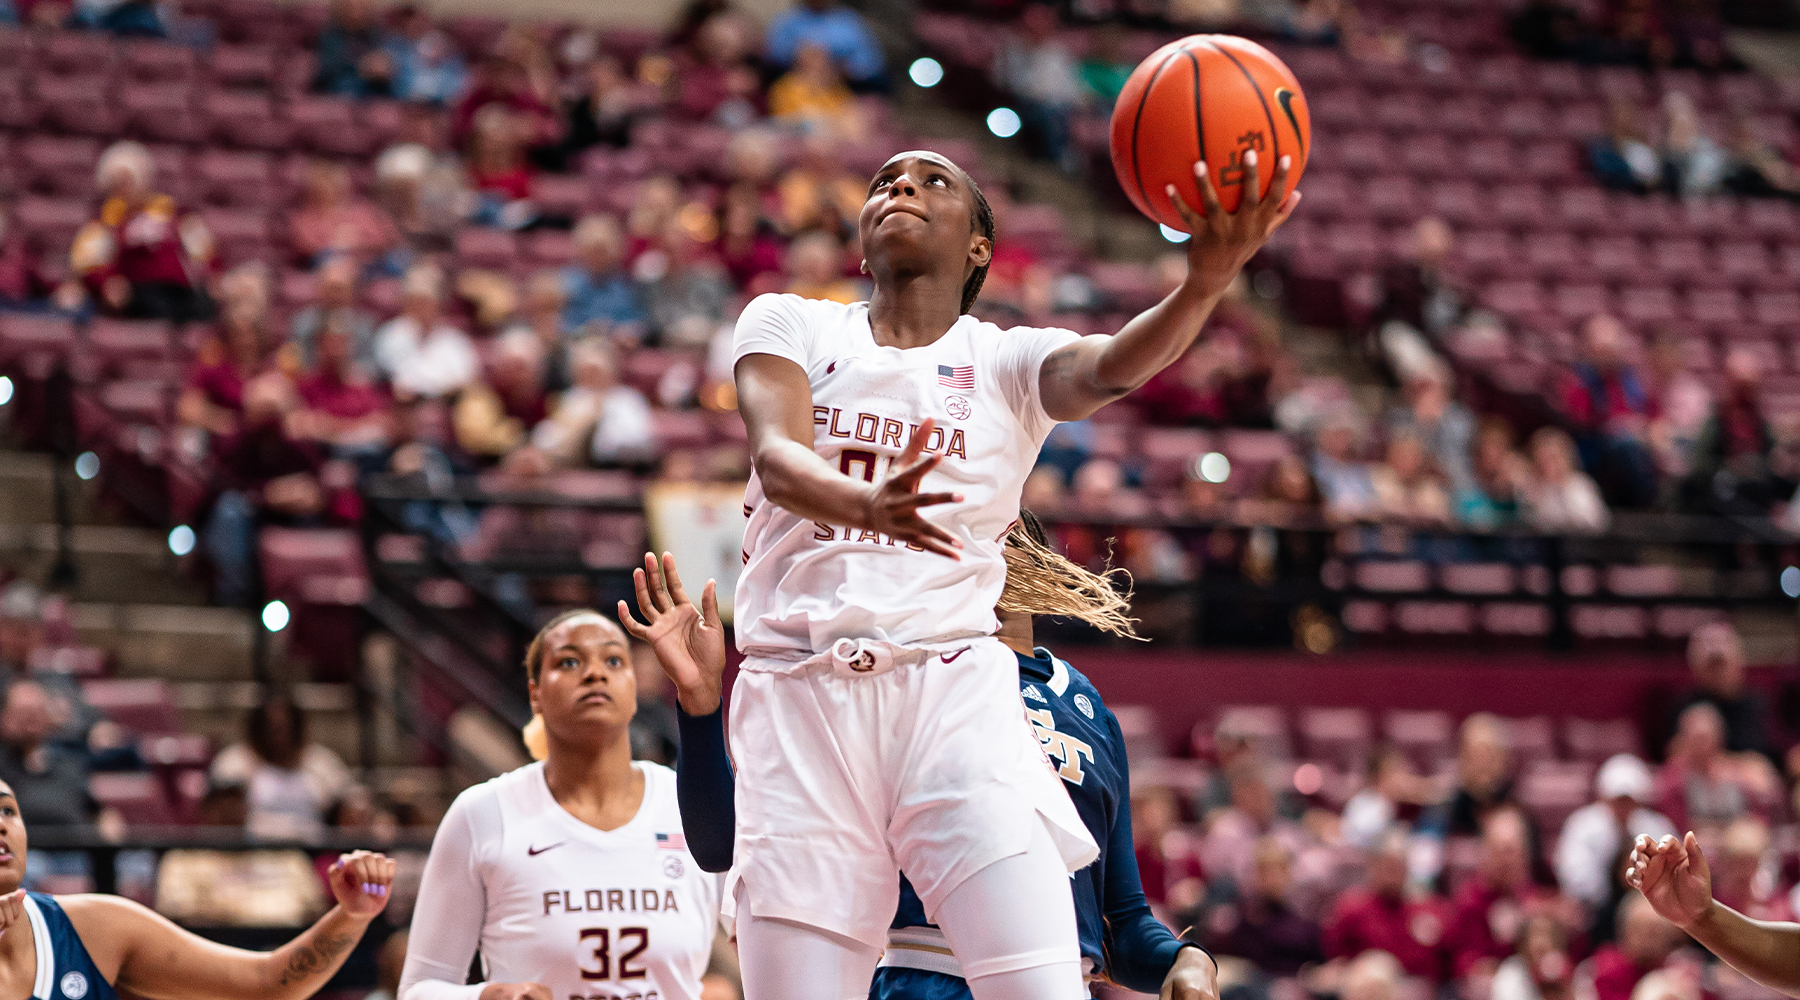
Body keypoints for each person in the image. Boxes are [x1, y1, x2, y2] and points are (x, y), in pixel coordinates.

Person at [723, 145, 1290, 999]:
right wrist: (870, 507)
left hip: (951, 693)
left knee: (1041, 986)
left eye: (931, 180)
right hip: (797, 693)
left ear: (979, 246)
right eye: (884, 181)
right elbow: (775, 456)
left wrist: (1201, 287)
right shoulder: (791, 322)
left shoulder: (1005, 360)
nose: (900, 187)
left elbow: (1111, 366)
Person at [618, 531, 1221, 999]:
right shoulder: (884, 678)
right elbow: (724, 843)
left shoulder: (1084, 703)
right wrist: (701, 709)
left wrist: (1185, 958)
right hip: (921, 972)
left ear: (1023, 556)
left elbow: (1120, 922)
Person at [396, 608, 722, 1000]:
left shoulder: (692, 801)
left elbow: (758, 943)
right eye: (569, 661)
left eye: (614, 660)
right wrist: (487, 997)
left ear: (635, 688)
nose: (594, 673)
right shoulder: (481, 814)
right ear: (535, 693)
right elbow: (418, 989)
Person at [0, 779, 393, 1000]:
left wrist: (352, 915)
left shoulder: (93, 927)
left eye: (8, 810)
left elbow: (266, 984)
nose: (2, 824)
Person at [1627, 828, 1800, 997]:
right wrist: (1701, 917)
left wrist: (1702, 917)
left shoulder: (1776, 905)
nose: (1744, 872)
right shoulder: (1703, 893)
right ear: (1724, 862)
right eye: (1737, 863)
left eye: (1751, 863)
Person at [70, 141, 215, 321]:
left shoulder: (173, 213)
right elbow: (89, 265)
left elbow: (204, 252)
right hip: (137, 292)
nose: (124, 188)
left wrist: (211, 275)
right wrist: (106, 283)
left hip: (181, 289)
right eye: (117, 182)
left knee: (205, 306)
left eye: (128, 180)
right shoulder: (103, 221)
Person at [210, 692, 354, 841]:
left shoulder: (320, 763)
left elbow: (350, 808)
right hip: (253, 851)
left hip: (312, 850)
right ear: (258, 729)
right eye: (272, 728)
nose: (279, 736)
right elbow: (218, 817)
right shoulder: (236, 762)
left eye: (285, 727)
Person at [1324, 827, 1449, 980]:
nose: (1393, 875)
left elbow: (1444, 963)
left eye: (1399, 867)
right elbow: (1337, 961)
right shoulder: (1351, 908)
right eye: (1388, 867)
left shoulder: (1430, 909)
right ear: (1372, 866)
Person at [1556, 755, 1675, 913]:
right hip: (1598, 910)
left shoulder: (1657, 826)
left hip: (1647, 907)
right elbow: (1575, 875)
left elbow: (1671, 870)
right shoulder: (1582, 826)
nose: (1623, 807)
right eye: (1618, 800)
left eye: (1628, 800)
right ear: (1605, 798)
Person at [1669, 623, 1771, 760]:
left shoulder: (1760, 706)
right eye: (1711, 666)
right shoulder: (1685, 708)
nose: (1718, 673)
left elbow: (1774, 757)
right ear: (1696, 668)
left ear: (1739, 662)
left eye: (1723, 664)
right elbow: (1675, 756)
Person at [764, 0, 886, 90]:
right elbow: (773, 56)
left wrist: (841, 69)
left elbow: (872, 62)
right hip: (799, 87)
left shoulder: (848, 21)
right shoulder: (788, 21)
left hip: (847, 89)